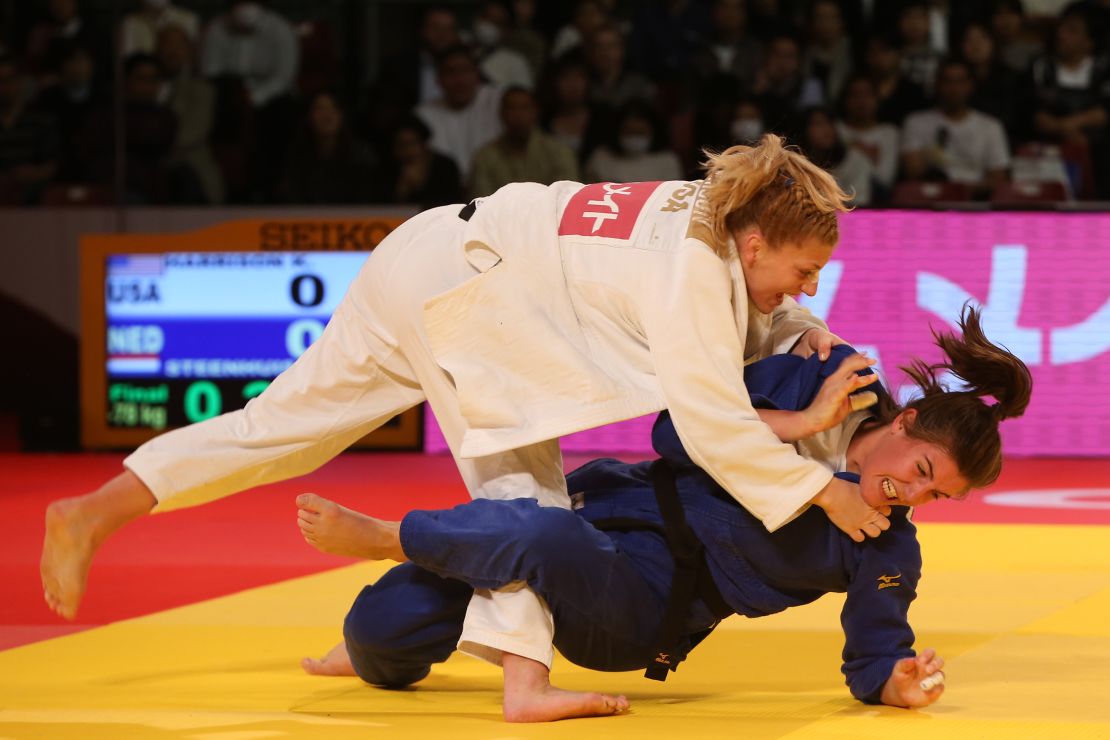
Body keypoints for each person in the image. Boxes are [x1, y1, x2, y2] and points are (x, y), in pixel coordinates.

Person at [42, 134, 889, 722]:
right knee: (525, 496)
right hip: (472, 299)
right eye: (803, 272)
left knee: (279, 424)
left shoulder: (704, 215)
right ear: (753, 242)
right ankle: (524, 684)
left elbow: (742, 314)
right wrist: (822, 490)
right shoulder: (692, 272)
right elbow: (709, 419)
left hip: (426, 254)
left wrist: (796, 328)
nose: (807, 290)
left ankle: (98, 507)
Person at [296, 306, 1032, 721]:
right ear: (904, 428)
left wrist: (894, 679)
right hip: (609, 504)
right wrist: (804, 423)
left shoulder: (882, 544)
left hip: (641, 606)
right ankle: (365, 642)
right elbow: (675, 434)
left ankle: (392, 537)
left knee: (538, 533)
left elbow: (873, 647)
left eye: (939, 498)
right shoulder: (822, 382)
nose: (915, 499)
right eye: (923, 473)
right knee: (381, 632)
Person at [901, 58, 1011, 197]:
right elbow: (913, 171)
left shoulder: (991, 126)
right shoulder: (915, 122)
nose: (954, 89)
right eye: (947, 81)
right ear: (937, 84)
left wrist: (960, 191)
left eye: (960, 81)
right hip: (929, 199)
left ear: (970, 85)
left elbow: (999, 178)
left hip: (974, 201)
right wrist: (936, 150)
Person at [469, 86, 579, 198]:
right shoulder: (485, 158)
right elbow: (481, 204)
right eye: (512, 108)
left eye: (524, 108)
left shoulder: (559, 152)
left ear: (535, 112)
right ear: (501, 113)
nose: (518, 114)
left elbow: (568, 197)